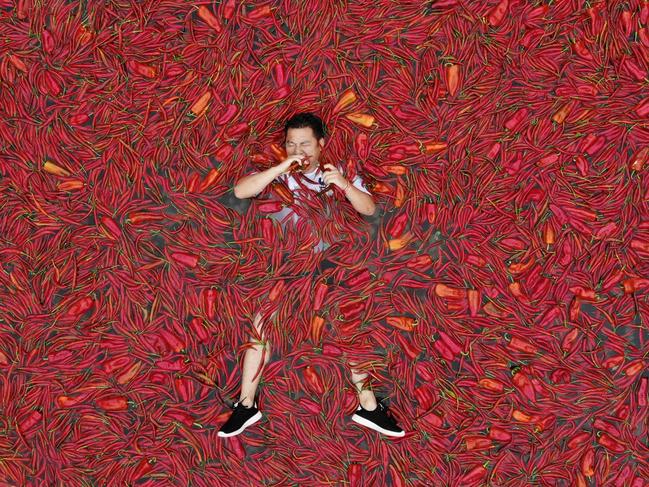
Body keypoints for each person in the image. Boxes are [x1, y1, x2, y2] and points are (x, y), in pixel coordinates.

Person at [218, 113, 405, 438]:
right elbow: (241, 190)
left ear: (321, 144)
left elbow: (369, 210)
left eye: (304, 143)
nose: (298, 150)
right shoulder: (276, 174)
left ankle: (369, 407)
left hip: (328, 263)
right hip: (287, 262)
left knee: (348, 325)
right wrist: (279, 168)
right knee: (262, 324)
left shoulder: (336, 174)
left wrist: (344, 185)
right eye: (291, 143)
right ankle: (246, 405)